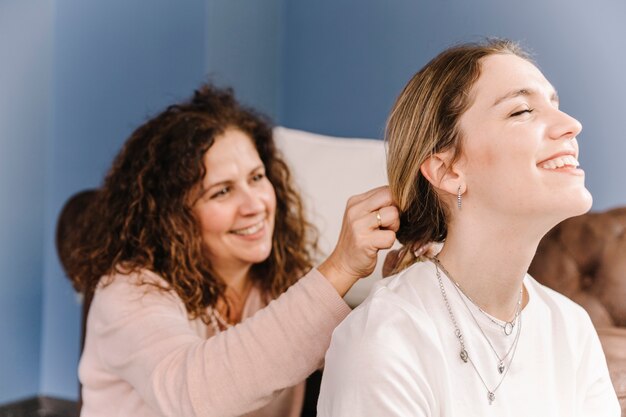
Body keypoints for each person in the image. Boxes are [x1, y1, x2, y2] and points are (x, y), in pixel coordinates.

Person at [317, 39, 621, 416]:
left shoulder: (570, 328)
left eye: (555, 105)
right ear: (448, 171)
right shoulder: (384, 337)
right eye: (522, 110)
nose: (571, 125)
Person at [68, 83, 399, 417]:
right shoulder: (127, 290)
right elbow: (197, 396)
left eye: (256, 178)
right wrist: (339, 269)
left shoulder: (279, 278)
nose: (254, 205)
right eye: (222, 191)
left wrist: (396, 286)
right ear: (172, 216)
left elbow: (363, 362)